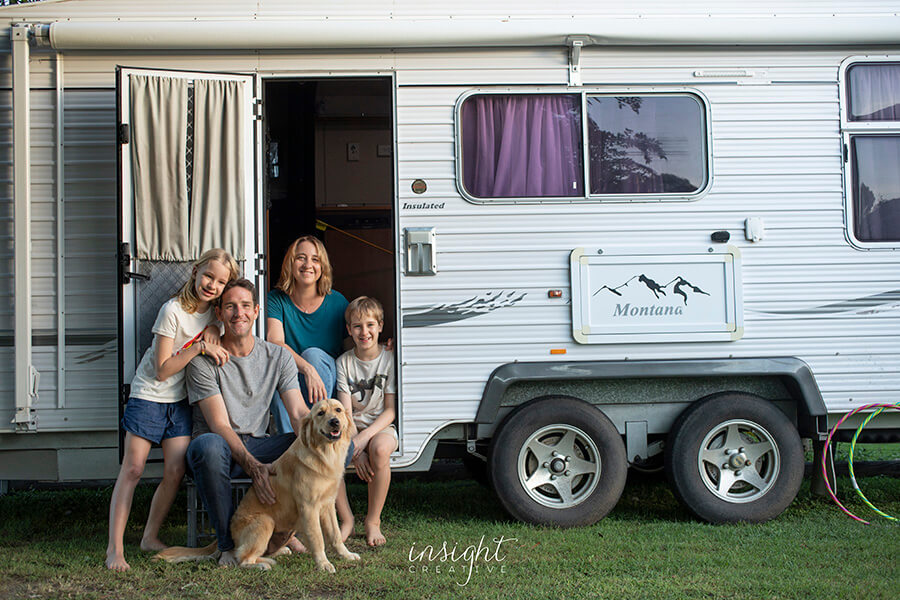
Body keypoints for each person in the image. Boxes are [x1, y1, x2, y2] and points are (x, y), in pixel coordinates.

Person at [105, 248, 238, 571]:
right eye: (208, 276)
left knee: (175, 472)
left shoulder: (214, 315)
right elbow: (163, 370)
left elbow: (218, 330)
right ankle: (115, 550)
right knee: (133, 469)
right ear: (195, 272)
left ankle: (149, 537)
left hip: (178, 403)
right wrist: (201, 346)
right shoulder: (172, 310)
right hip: (149, 396)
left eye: (221, 282)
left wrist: (214, 331)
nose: (212, 285)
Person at [185, 278, 310, 565]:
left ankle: (280, 535)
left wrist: (319, 441)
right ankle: (227, 547)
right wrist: (253, 467)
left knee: (310, 446)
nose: (238, 313)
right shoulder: (203, 362)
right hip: (217, 450)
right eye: (230, 306)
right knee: (209, 445)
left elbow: (299, 413)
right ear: (219, 313)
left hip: (258, 444)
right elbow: (220, 425)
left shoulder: (278, 356)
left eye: (244, 306)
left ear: (255, 311)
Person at [266, 234, 353, 540]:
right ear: (291, 263)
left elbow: (348, 350)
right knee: (283, 364)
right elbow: (275, 343)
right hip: (296, 379)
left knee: (314, 353)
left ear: (323, 266)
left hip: (324, 384)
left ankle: (326, 431)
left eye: (315, 259)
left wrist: (381, 350)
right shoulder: (276, 300)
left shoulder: (337, 302)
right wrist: (305, 368)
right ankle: (291, 441)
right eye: (301, 257)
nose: (308, 264)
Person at [335, 296, 397, 547]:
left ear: (381, 326)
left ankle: (373, 521)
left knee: (380, 449)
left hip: (380, 425)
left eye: (370, 325)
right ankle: (346, 519)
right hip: (352, 427)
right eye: (357, 326)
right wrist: (354, 450)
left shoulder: (390, 359)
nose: (365, 332)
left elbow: (390, 411)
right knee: (333, 452)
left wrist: (362, 441)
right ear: (349, 330)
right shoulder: (344, 363)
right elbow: (345, 414)